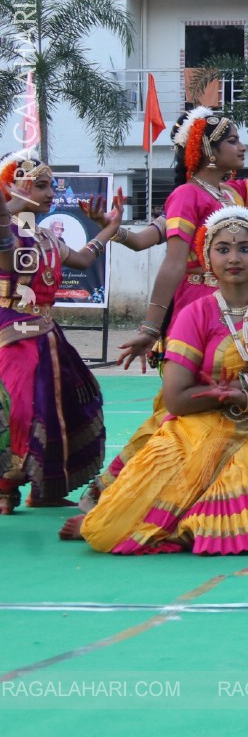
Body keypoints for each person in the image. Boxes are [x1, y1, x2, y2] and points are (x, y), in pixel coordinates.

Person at [81, 207, 248, 554]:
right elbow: (177, 399)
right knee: (105, 530)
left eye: (245, 248)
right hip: (192, 432)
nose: (234, 258)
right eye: (222, 249)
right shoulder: (194, 314)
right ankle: (193, 521)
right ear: (208, 258)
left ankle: (192, 523)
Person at [112, 88, 248, 369]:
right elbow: (173, 264)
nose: (242, 147)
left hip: (239, 298)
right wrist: (150, 328)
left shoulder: (233, 192)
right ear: (209, 149)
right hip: (200, 302)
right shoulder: (187, 195)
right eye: (233, 141)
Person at [0, 154, 113, 513]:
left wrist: (109, 228)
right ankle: (5, 487)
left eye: (50, 185)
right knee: (19, 411)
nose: (51, 193)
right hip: (13, 336)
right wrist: (10, 204)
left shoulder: (46, 236)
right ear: (15, 186)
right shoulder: (7, 231)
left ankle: (45, 489)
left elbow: (83, 259)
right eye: (40, 185)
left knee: (59, 411)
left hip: (48, 336)